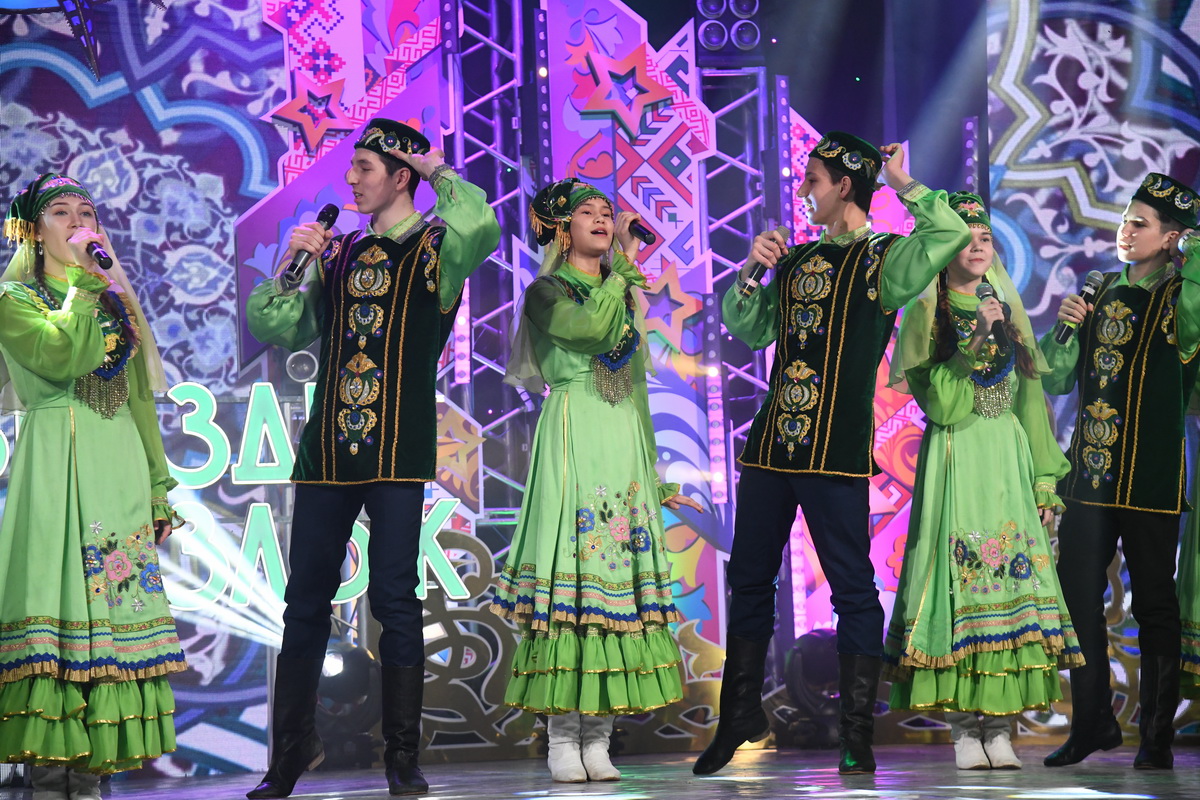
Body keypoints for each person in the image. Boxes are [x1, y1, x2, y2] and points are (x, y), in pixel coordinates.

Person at [693, 132, 970, 776]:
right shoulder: (795, 261)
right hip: (773, 443)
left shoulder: (884, 259)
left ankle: (856, 732)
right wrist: (753, 269)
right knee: (749, 579)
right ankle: (739, 715)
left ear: (844, 185)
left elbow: (949, 232)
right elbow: (750, 328)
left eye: (813, 179)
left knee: (852, 588)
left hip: (834, 449)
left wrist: (901, 183)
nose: (803, 190)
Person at [245, 119, 500, 798]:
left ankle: (402, 756)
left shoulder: (437, 248)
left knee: (395, 599)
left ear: (400, 177)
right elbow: (274, 324)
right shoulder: (337, 253)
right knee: (305, 602)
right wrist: (291, 266)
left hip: (396, 446)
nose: (352, 179)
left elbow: (481, 225)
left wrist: (438, 167)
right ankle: (290, 751)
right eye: (352, 166)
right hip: (328, 448)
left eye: (365, 167)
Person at [490, 178, 701, 783]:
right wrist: (624, 268)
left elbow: (635, 389)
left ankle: (599, 737)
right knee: (575, 580)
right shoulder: (546, 291)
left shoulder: (620, 293)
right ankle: (561, 736)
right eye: (588, 212)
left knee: (615, 591)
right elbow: (584, 332)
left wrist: (653, 473)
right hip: (574, 429)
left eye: (608, 212)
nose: (604, 220)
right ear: (562, 229)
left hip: (620, 437)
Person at [0, 173, 187, 799]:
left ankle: (91, 778)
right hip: (55, 465)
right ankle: (48, 777)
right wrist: (84, 285)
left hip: (118, 466)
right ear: (32, 229)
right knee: (57, 613)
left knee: (112, 615)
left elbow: (138, 400)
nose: (79, 222)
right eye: (61, 212)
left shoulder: (112, 301)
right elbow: (62, 358)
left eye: (87, 212)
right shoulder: (13, 299)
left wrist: (157, 485)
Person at [883, 192, 1083, 770]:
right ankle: (963, 730)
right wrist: (973, 341)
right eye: (965, 237)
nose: (977, 246)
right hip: (958, 459)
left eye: (986, 237)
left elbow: (1031, 401)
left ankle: (1000, 727)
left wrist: (1044, 479)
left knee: (1010, 589)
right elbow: (943, 405)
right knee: (960, 586)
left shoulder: (1007, 310)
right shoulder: (927, 312)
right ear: (944, 249)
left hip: (1007, 461)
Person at [1039, 172, 1200, 770]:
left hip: (1151, 477)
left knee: (1154, 603)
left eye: (1141, 223)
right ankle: (1093, 723)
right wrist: (1065, 328)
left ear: (1173, 238)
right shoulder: (1100, 288)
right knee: (1077, 592)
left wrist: (1194, 249)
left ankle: (1155, 736)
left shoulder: (1183, 297)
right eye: (1125, 219)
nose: (1126, 231)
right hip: (1090, 475)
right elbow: (1057, 378)